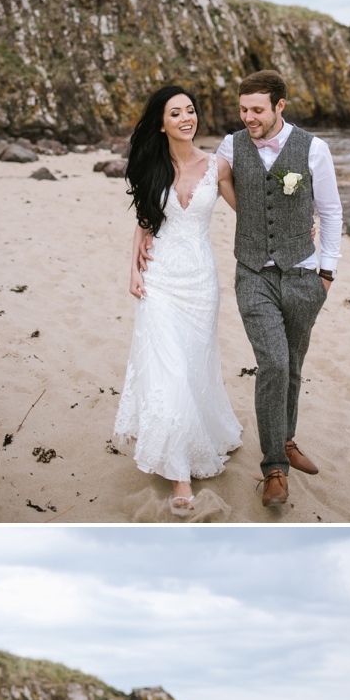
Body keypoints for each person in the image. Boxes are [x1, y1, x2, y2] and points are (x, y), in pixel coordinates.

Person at [215, 70, 342, 510]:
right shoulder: (231, 146)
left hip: (305, 276)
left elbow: (330, 211)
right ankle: (274, 469)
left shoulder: (314, 148)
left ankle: (285, 439)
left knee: (293, 365)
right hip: (253, 273)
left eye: (257, 110)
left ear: (279, 107)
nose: (248, 117)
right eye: (243, 109)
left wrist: (327, 273)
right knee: (273, 362)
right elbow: (208, 182)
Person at [111, 82, 241, 515]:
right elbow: (145, 221)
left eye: (190, 110)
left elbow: (251, 211)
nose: (187, 118)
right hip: (160, 279)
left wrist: (302, 221)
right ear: (161, 124)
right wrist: (133, 268)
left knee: (194, 366)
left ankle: (201, 432)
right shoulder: (151, 165)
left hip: (202, 283)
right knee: (168, 370)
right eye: (175, 113)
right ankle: (180, 474)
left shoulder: (218, 165)